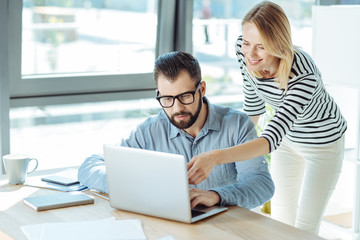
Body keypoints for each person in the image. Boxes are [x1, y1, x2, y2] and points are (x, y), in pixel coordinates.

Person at [187, 1, 347, 234]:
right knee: (280, 219)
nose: (250, 54)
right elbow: (253, 106)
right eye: (247, 42)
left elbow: (269, 140)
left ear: (278, 45)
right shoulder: (244, 51)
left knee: (305, 227)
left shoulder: (303, 74)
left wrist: (215, 157)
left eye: (261, 47)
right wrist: (233, 156)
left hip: (323, 145)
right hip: (288, 141)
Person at [78, 51, 274, 210]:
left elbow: (261, 184)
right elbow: (90, 166)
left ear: (202, 89)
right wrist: (132, 184)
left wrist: (216, 196)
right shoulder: (151, 130)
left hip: (223, 227)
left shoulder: (237, 125)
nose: (176, 108)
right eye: (167, 99)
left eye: (185, 96)